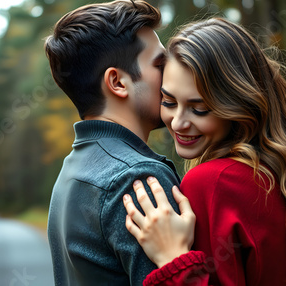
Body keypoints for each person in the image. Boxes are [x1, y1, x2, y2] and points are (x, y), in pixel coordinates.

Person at [123, 18, 286, 285]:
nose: (178, 122)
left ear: (237, 104)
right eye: (169, 101)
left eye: (199, 108)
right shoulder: (269, 175)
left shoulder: (211, 182)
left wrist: (173, 261)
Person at [43, 1, 182, 285]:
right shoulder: (137, 178)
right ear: (118, 82)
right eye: (159, 64)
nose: (171, 75)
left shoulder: (74, 170)